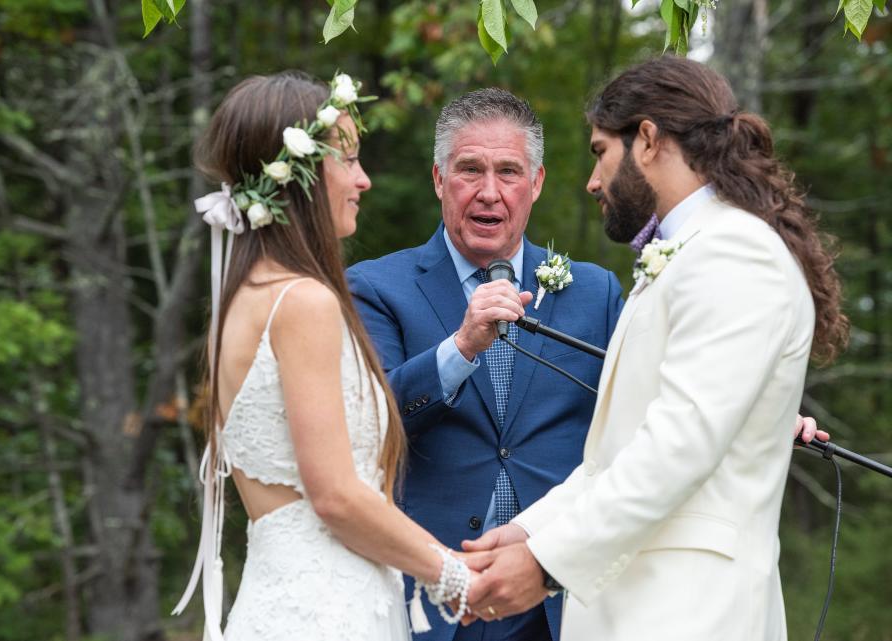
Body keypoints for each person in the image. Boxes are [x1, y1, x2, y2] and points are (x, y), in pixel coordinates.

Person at [462, 56, 849, 641]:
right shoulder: (681, 256)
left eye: (599, 151)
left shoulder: (736, 252)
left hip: (693, 610)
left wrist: (545, 566)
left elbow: (678, 446)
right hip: (636, 606)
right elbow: (616, 456)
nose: (593, 180)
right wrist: (529, 532)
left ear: (646, 139)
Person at [171, 71, 477, 641]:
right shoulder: (303, 302)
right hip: (326, 616)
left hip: (282, 605)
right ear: (303, 175)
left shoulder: (243, 302)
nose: (363, 180)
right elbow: (335, 495)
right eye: (349, 159)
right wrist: (454, 576)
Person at [347, 88, 623, 641]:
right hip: (434, 595)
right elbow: (370, 425)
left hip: (556, 598)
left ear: (537, 183)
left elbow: (640, 410)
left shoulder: (596, 291)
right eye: (469, 169)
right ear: (438, 179)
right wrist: (462, 346)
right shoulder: (376, 287)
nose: (489, 192)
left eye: (509, 171)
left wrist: (746, 412)